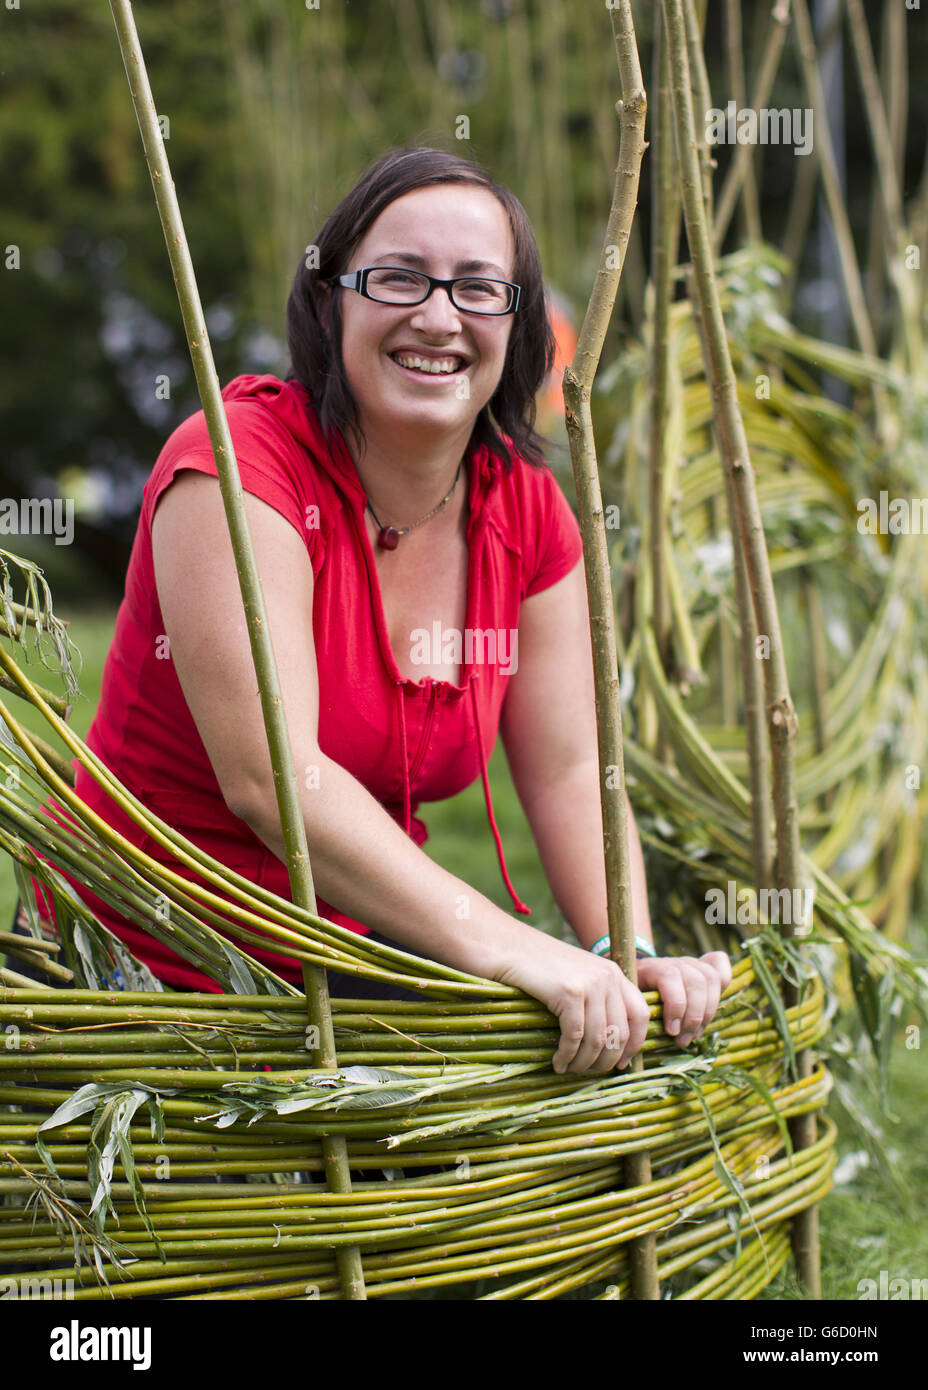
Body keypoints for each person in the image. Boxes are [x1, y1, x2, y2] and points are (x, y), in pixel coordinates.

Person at [27, 145, 731, 1073]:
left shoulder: (526, 510)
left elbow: (568, 771)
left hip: (345, 960)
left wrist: (623, 953)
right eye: (398, 278)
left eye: (480, 289)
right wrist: (518, 949)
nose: (438, 316)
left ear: (518, 331)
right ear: (332, 302)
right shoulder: (238, 467)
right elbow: (274, 781)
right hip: (140, 969)